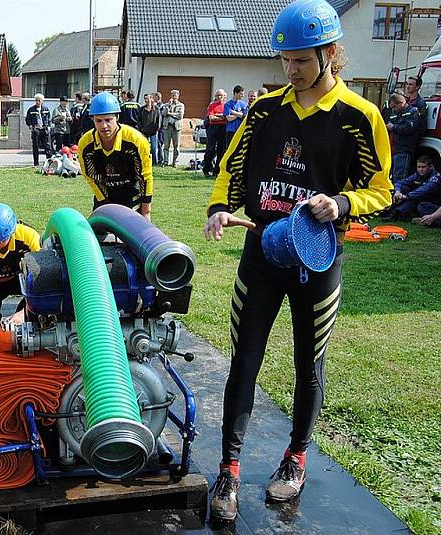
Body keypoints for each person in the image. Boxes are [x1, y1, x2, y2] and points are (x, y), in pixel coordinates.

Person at [204, 0, 392, 521]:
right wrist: (220, 209)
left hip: (318, 262)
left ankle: (296, 457)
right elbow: (232, 169)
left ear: (330, 53)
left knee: (310, 364)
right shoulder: (264, 110)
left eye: (302, 61)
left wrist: (345, 204)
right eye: (284, 60)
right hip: (260, 255)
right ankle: (230, 470)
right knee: (243, 361)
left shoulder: (361, 117)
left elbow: (382, 189)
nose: (291, 70)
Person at [77, 91, 153, 219]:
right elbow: (90, 177)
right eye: (99, 121)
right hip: (105, 191)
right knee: (98, 232)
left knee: (131, 231)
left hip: (131, 191)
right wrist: (104, 202)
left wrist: (146, 211)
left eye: (108, 120)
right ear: (92, 119)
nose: (104, 126)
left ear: (117, 117)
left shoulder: (136, 140)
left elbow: (145, 176)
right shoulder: (85, 144)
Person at [389, 155, 441, 220]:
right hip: (419, 198)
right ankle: (394, 211)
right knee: (404, 188)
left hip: (433, 203)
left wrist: (406, 196)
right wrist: (397, 192)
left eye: (423, 167)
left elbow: (424, 190)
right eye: (419, 167)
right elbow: (400, 182)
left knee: (420, 204)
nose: (421, 169)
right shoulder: (417, 175)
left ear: (430, 167)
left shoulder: (435, 177)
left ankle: (400, 213)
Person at [386, 90, 421, 184]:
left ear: (401, 103)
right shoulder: (395, 114)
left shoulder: (413, 112)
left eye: (394, 106)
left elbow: (409, 128)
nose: (393, 109)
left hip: (403, 150)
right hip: (393, 149)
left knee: (400, 177)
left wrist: (393, 127)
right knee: (391, 176)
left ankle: (398, 197)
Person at [203, 89, 228, 177]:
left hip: (223, 128)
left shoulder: (226, 105)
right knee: (210, 149)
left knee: (222, 150)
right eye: (218, 95)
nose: (219, 97)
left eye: (221, 95)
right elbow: (211, 118)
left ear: (224, 96)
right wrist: (222, 117)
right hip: (213, 128)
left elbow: (228, 117)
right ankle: (206, 169)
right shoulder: (212, 105)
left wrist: (217, 116)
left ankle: (217, 170)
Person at [25, 93, 53, 167]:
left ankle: (49, 163)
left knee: (47, 146)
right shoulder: (31, 110)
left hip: (44, 130)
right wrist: (30, 126)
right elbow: (27, 119)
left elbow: (49, 118)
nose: (38, 102)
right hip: (36, 130)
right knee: (36, 147)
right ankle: (36, 164)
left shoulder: (46, 109)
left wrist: (49, 127)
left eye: (39, 100)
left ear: (42, 101)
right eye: (36, 100)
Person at [161, 90, 185, 167]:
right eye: (172, 95)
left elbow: (180, 116)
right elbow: (163, 113)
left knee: (176, 146)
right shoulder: (166, 105)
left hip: (176, 127)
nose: (174, 97)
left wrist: (170, 114)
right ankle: (165, 161)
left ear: (178, 96)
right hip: (167, 127)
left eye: (175, 95)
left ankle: (175, 162)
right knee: (166, 146)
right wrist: (169, 106)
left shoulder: (181, 105)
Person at [139, 94, 162, 165]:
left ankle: (154, 163)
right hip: (144, 132)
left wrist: (156, 129)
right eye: (145, 99)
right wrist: (141, 129)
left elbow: (159, 120)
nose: (146, 100)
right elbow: (139, 120)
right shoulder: (142, 109)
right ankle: (144, 162)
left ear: (151, 99)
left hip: (153, 132)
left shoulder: (156, 108)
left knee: (154, 148)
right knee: (144, 148)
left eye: (147, 98)